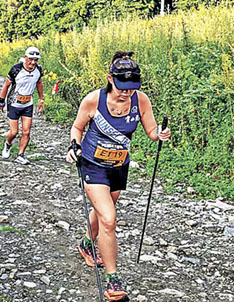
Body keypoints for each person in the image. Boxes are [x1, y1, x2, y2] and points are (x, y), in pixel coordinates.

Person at [65, 51, 171, 302]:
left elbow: (151, 131)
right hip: (92, 164)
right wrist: (73, 146)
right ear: (110, 79)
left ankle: (86, 243)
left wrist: (160, 134)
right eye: (122, 87)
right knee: (110, 219)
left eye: (131, 87)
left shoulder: (141, 100)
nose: (126, 93)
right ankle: (113, 281)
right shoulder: (93, 100)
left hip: (118, 166)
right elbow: (77, 127)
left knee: (104, 211)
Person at [0, 47, 44, 165]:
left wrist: (41, 99)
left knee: (26, 132)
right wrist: (1, 101)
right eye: (31, 59)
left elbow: (39, 83)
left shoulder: (38, 70)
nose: (33, 62)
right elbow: (6, 85)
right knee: (14, 132)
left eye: (36, 60)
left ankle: (21, 155)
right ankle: (8, 144)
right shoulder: (16, 70)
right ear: (25, 57)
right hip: (14, 103)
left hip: (28, 104)